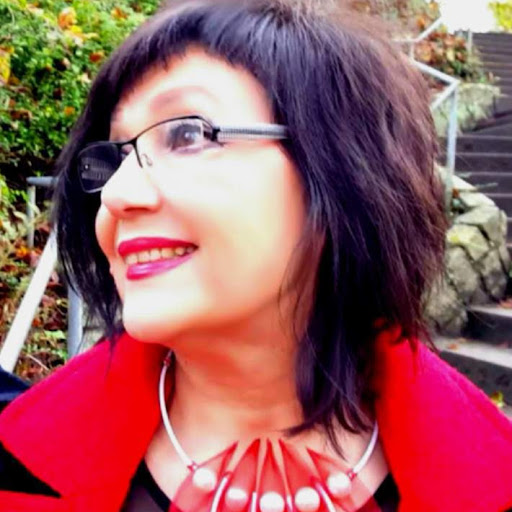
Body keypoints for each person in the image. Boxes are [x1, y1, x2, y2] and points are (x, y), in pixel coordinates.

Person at [1, 1, 512, 510]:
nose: (116, 193)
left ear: (346, 170)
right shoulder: (20, 457)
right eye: (115, 156)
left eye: (187, 134)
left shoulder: (492, 473)